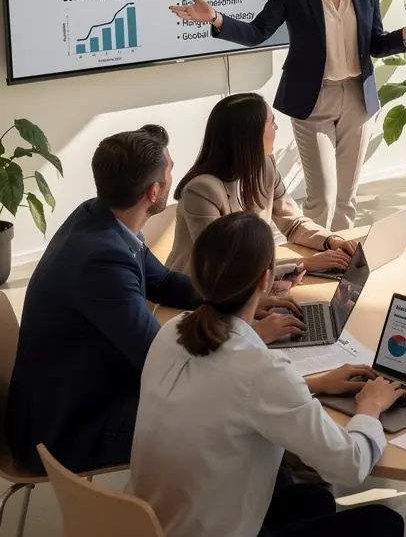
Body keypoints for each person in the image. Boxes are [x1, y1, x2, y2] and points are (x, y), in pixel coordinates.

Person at [129, 212, 405, 537]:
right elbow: (350, 466)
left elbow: (230, 392)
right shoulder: (260, 371)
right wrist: (369, 408)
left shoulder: (171, 332)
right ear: (264, 281)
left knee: (314, 501)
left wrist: (314, 383)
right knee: (385, 526)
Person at [5, 126, 303, 475]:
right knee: (228, 411)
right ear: (154, 191)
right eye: (170, 169)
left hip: (75, 397)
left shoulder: (98, 217)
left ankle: (289, 476)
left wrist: (240, 299)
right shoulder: (102, 260)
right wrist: (246, 330)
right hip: (68, 431)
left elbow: (162, 282)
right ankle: (282, 501)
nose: (174, 174)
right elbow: (162, 359)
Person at [169, 0, 406, 231]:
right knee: (324, 198)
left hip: (357, 98)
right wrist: (216, 18)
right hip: (312, 100)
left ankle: (341, 260)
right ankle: (314, 258)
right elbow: (258, 32)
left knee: (346, 197)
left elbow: (374, 45)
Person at [166, 92, 358, 276]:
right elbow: (226, 264)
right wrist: (304, 264)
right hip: (197, 295)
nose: (276, 128)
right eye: (271, 122)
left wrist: (330, 241)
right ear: (250, 134)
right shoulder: (201, 190)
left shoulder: (265, 165)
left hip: (248, 284)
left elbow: (293, 223)